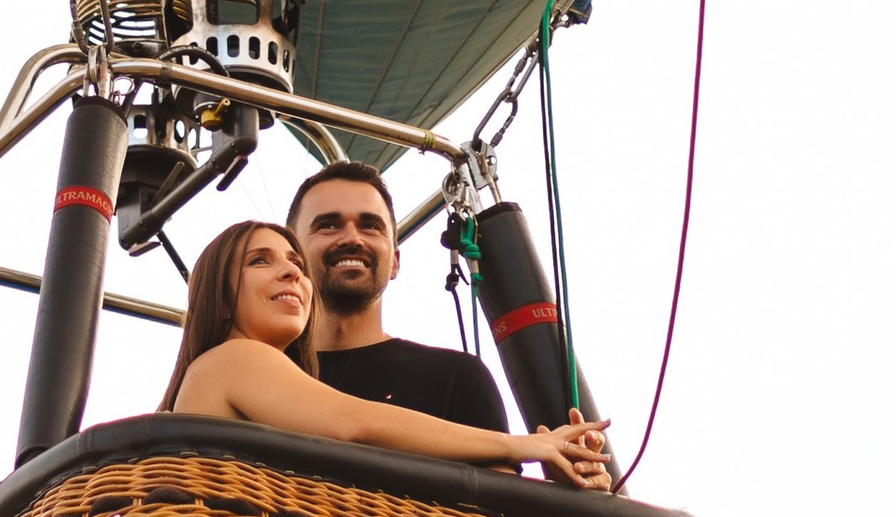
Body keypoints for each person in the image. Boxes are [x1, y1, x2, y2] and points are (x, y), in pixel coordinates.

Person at [161, 218, 609, 486]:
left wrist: (567, 478)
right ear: (219, 297)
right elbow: (357, 424)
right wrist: (525, 446)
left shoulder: (254, 383)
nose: (290, 273)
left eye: (295, 264)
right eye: (260, 261)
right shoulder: (235, 358)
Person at [289, 164, 505, 429]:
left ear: (394, 261)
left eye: (370, 226)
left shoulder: (456, 379)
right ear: (291, 256)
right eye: (329, 225)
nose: (352, 238)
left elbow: (500, 471)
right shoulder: (258, 374)